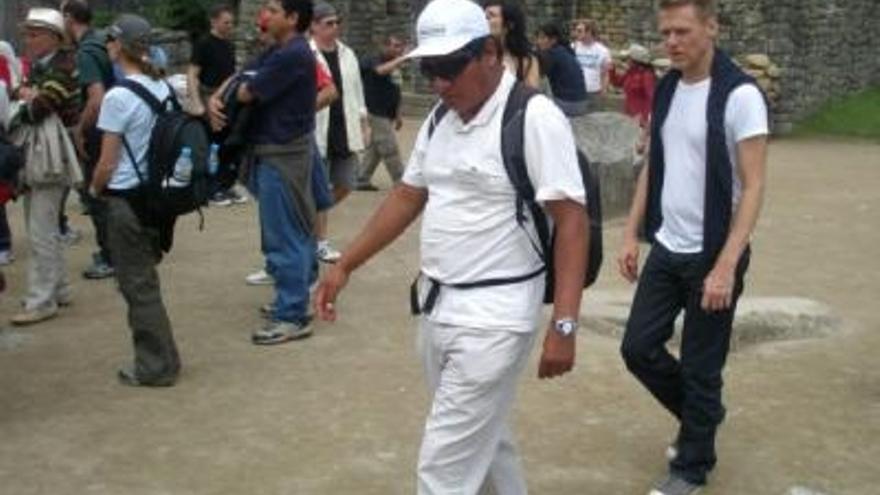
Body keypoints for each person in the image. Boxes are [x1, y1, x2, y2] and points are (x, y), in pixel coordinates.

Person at [315, 0, 588, 492]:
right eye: (427, 68)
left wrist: (564, 325)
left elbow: (571, 222)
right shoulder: (443, 118)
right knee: (486, 440)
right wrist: (346, 264)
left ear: (488, 52)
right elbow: (407, 194)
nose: (437, 82)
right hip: (438, 304)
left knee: (442, 470)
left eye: (446, 67)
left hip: (497, 317)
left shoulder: (533, 117)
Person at [616, 1, 769, 494]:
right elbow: (654, 168)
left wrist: (726, 264)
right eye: (666, 33)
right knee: (638, 346)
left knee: (703, 365)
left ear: (711, 27)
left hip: (713, 252)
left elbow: (754, 185)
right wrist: (630, 233)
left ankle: (690, 468)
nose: (672, 42)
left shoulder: (740, 95)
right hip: (667, 246)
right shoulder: (666, 89)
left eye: (682, 31)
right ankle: (703, 418)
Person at [210, 0, 317, 344]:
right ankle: (294, 302)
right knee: (288, 230)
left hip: (282, 154)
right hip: (276, 152)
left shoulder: (292, 55)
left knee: (285, 234)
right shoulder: (280, 50)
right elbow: (242, 77)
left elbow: (246, 91)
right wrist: (223, 93)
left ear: (293, 17)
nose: (265, 16)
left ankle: (292, 315)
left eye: (273, 9)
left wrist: (231, 92)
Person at [89, 14, 181, 386]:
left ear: (118, 44)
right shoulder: (163, 89)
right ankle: (164, 359)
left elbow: (107, 163)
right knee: (145, 281)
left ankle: (156, 366)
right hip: (157, 198)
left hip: (125, 198)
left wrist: (94, 190)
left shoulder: (119, 96)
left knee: (137, 285)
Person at [9, 8, 81, 326]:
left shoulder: (62, 67)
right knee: (45, 226)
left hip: (50, 157)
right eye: (27, 33)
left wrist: (25, 97)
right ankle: (58, 288)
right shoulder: (47, 66)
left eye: (34, 34)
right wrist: (25, 95)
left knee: (40, 229)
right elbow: (23, 97)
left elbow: (37, 108)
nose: (28, 40)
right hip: (44, 154)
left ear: (53, 37)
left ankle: (43, 299)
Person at [61, 0, 117, 280]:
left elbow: (96, 97)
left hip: (97, 130)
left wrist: (79, 130)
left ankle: (109, 257)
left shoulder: (86, 51)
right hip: (112, 126)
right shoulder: (101, 41)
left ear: (69, 18)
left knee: (97, 195)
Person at [310, 1, 368, 263]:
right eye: (328, 23)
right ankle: (319, 241)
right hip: (317, 129)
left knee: (347, 183)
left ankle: (308, 217)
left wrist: (364, 122)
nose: (335, 28)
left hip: (345, 128)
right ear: (313, 26)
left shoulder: (348, 54)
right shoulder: (306, 53)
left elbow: (356, 90)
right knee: (319, 187)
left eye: (336, 23)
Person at [187, 3, 246, 206]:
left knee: (229, 143)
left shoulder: (229, 45)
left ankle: (225, 185)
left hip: (227, 98)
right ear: (214, 21)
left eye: (231, 22)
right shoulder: (203, 43)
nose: (230, 26)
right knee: (213, 144)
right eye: (226, 22)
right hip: (209, 96)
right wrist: (197, 103)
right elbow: (192, 74)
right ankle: (211, 190)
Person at [355, 34, 407, 191]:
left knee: (375, 149)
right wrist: (400, 60)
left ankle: (361, 179)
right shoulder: (372, 59)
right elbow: (380, 71)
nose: (399, 50)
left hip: (387, 111)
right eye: (395, 46)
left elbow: (397, 89)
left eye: (401, 46)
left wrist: (398, 114)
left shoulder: (395, 66)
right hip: (374, 110)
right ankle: (401, 181)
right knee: (389, 146)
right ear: (385, 46)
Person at [535, 22, 588, 117]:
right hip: (581, 103)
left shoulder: (551, 55)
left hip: (567, 104)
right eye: (538, 38)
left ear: (553, 40)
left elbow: (536, 79)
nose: (538, 42)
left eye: (542, 38)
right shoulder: (566, 51)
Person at [483, 0, 541, 88]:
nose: (484, 21)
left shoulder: (526, 60)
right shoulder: (478, 55)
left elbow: (531, 96)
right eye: (484, 17)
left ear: (510, 24)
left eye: (491, 16)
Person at [610, 42, 657, 128]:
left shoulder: (647, 75)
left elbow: (651, 98)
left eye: (628, 58)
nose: (626, 60)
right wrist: (611, 71)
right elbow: (617, 83)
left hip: (641, 118)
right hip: (630, 114)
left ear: (635, 60)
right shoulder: (630, 72)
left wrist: (646, 118)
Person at [572, 18, 611, 111]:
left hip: (594, 93)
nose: (576, 33)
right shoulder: (573, 47)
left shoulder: (602, 50)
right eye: (576, 30)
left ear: (589, 32)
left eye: (580, 31)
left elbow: (605, 73)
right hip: (576, 92)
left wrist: (604, 91)